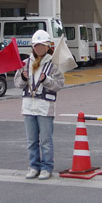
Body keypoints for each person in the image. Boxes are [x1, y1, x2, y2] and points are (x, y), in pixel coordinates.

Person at [14, 29, 65, 180]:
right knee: (31, 141)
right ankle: (33, 166)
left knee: (46, 141)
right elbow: (17, 83)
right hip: (28, 106)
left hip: (45, 108)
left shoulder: (53, 65)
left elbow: (59, 85)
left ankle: (46, 167)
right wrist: (23, 77)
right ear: (33, 47)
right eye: (36, 46)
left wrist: (46, 80)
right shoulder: (25, 64)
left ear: (48, 46)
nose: (39, 48)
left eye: (42, 46)